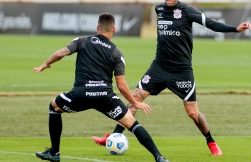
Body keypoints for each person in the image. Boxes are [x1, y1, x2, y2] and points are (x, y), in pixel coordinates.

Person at [92, 0, 251, 156]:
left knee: (192, 112)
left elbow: (212, 24)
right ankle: (113, 137)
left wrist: (236, 29)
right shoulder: (159, 9)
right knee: (134, 100)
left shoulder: (187, 11)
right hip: (158, 67)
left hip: (181, 71)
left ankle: (211, 141)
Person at [33, 13, 169, 162]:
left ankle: (54, 153)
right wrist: (135, 103)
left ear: (97, 27)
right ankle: (159, 157)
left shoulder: (82, 41)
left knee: (54, 107)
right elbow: (121, 86)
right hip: (105, 97)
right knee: (132, 123)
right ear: (114, 30)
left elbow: (61, 53)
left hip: (80, 95)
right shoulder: (117, 53)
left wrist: (46, 64)